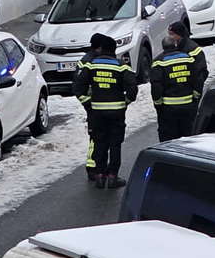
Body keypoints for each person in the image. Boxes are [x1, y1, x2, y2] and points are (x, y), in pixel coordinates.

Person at [76, 33, 138, 188]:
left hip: (97, 113)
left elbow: (78, 87)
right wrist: (125, 102)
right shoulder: (121, 66)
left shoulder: (91, 65)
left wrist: (88, 104)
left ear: (102, 48)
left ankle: (100, 175)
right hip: (117, 112)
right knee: (115, 144)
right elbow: (132, 88)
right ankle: (113, 177)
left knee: (100, 143)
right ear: (114, 49)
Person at [150, 32, 202, 140]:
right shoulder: (189, 59)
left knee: (169, 139)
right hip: (188, 107)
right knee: (189, 138)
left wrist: (158, 104)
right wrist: (195, 98)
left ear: (163, 47)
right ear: (175, 45)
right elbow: (197, 79)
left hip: (168, 109)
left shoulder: (158, 63)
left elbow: (156, 86)